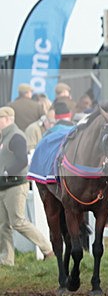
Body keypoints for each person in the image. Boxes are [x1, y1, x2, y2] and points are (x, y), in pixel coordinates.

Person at [0, 106, 54, 265]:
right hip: (4, 186)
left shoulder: (16, 136)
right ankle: (7, 259)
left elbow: (22, 160)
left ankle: (47, 249)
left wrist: (6, 172)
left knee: (18, 221)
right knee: (3, 225)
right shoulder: (4, 137)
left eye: (0, 118)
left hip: (15, 185)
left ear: (8, 119)